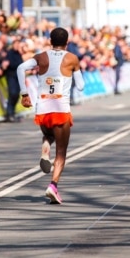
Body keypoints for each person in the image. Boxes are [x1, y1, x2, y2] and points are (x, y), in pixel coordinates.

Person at [16, 27, 85, 205]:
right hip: (61, 110)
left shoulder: (40, 57)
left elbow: (20, 68)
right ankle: (53, 186)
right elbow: (81, 86)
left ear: (50, 41)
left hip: (43, 110)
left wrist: (24, 94)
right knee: (61, 152)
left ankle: (45, 150)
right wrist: (73, 72)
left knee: (48, 134)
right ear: (67, 42)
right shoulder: (72, 58)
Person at [1, 38, 24, 123]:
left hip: (18, 77)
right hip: (11, 76)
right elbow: (7, 63)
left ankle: (13, 112)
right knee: (12, 93)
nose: (17, 46)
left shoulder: (18, 54)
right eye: (16, 44)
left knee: (17, 95)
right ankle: (9, 113)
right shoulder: (9, 53)